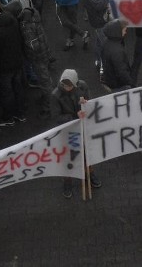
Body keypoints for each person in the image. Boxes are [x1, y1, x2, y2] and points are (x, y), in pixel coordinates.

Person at [51, 69, 101, 198]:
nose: (66, 88)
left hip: (82, 127)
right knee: (69, 157)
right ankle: (67, 182)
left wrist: (85, 103)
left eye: (69, 85)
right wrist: (74, 116)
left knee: (86, 153)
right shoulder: (55, 95)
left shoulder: (82, 86)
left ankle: (89, 174)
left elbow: (90, 102)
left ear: (75, 83)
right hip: (68, 131)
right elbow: (56, 117)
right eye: (64, 85)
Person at [14, 0, 55, 118]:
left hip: (37, 54)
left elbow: (31, 40)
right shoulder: (24, 0)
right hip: (41, 51)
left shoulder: (28, 19)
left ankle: (48, 107)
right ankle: (46, 100)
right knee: (45, 78)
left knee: (45, 80)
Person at [0, 0, 26, 125]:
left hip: (4, 68)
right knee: (18, 88)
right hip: (17, 62)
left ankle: (8, 117)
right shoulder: (12, 20)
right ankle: (21, 113)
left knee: (7, 92)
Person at [82, 0, 113, 77]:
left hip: (100, 18)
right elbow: (99, 4)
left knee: (100, 41)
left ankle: (98, 61)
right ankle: (103, 71)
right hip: (98, 19)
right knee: (105, 44)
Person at [101, 19, 132, 92]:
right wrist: (130, 83)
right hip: (118, 84)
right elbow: (121, 71)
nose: (125, 32)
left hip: (110, 79)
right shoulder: (117, 50)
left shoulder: (106, 42)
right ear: (117, 32)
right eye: (124, 30)